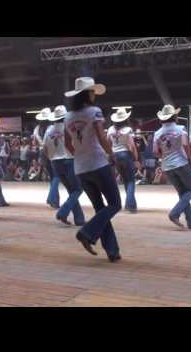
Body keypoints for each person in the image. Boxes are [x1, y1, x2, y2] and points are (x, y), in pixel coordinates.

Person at [64, 77, 122, 262]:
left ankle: (112, 251)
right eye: (92, 92)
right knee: (114, 204)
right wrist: (111, 154)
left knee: (100, 210)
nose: (94, 95)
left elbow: (67, 143)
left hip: (80, 168)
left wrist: (79, 154)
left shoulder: (67, 117)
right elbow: (101, 136)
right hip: (98, 164)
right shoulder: (94, 112)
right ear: (87, 94)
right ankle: (87, 232)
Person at [154, 105, 191, 229]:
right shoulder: (180, 129)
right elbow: (185, 145)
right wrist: (190, 159)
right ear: (175, 117)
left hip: (167, 166)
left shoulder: (157, 133)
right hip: (181, 163)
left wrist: (165, 155)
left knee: (183, 193)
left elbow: (156, 152)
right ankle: (175, 213)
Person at [43, 106, 85, 226]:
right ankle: (63, 211)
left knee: (72, 191)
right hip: (69, 161)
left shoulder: (49, 130)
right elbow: (78, 143)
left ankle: (79, 219)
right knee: (78, 189)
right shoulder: (70, 127)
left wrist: (51, 159)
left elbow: (45, 149)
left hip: (55, 163)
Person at [107, 107, 139, 213]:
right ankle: (130, 204)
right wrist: (136, 159)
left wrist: (110, 156)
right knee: (130, 180)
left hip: (115, 155)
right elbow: (132, 145)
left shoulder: (111, 130)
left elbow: (108, 144)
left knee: (125, 180)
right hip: (126, 154)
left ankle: (131, 204)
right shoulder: (128, 130)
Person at [35, 108, 60, 208]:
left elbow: (35, 142)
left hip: (42, 151)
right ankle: (51, 197)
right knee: (57, 176)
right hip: (52, 152)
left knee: (52, 177)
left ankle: (55, 202)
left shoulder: (37, 128)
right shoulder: (52, 127)